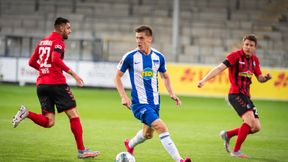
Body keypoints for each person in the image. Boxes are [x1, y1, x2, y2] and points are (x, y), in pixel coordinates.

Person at [12, 17, 100, 159]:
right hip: (56, 84)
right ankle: (82, 151)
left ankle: (26, 113)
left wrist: (44, 69)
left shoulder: (43, 42)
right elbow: (55, 59)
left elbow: (31, 62)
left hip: (42, 85)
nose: (70, 31)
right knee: (74, 115)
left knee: (49, 122)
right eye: (68, 28)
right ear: (61, 28)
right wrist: (74, 74)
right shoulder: (58, 41)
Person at [114, 25, 191, 162]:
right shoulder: (130, 57)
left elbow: (165, 76)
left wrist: (171, 93)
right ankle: (179, 160)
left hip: (155, 103)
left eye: (141, 38)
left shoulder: (158, 57)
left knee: (148, 134)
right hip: (139, 104)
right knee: (161, 127)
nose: (138, 41)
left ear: (149, 39)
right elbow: (117, 77)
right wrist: (123, 96)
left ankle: (130, 144)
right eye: (137, 38)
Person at [197, 34, 272, 158]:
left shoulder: (255, 60)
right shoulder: (235, 56)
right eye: (246, 44)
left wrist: (266, 78)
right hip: (235, 94)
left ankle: (228, 134)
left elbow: (259, 78)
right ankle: (236, 151)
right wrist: (204, 80)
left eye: (251, 45)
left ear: (255, 47)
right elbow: (219, 68)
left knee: (256, 127)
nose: (248, 47)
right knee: (249, 120)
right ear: (243, 44)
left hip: (246, 96)